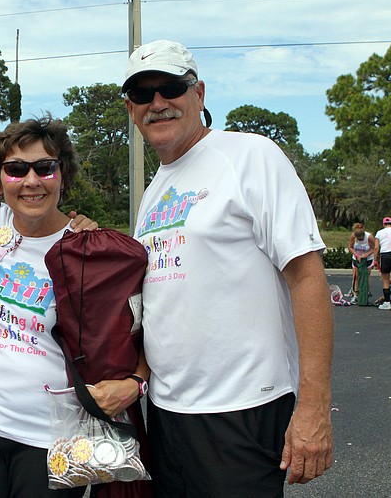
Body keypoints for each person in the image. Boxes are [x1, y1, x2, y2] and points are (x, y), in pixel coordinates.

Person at [122, 40, 334, 497]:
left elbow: (307, 275)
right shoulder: (155, 189)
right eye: (143, 95)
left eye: (171, 88)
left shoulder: (250, 157)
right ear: (131, 108)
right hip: (167, 413)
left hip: (242, 410)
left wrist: (314, 405)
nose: (157, 103)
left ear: (198, 93)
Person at [0, 119, 135, 498]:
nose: (32, 180)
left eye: (45, 167)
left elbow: (132, 334)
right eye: (15, 169)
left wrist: (135, 383)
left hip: (52, 439)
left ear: (62, 175)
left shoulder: (88, 249)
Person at [348, 222, 377, 299]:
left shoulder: (369, 237)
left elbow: (375, 248)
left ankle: (365, 292)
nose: (360, 240)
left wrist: (366, 254)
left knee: (366, 276)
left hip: (368, 258)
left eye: (361, 239)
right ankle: (355, 294)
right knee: (356, 276)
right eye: (358, 239)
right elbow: (350, 247)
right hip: (357, 258)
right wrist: (356, 255)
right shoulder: (353, 236)